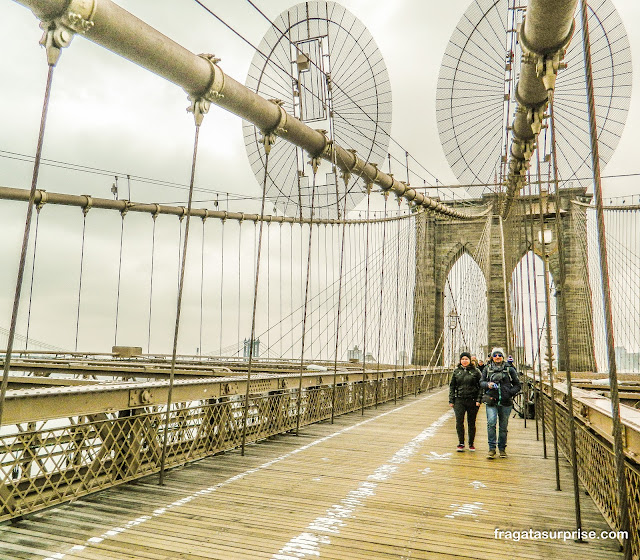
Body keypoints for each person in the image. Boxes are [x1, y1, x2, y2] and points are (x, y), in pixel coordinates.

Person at [480, 347, 521, 459]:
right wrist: (487, 385)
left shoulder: (510, 369)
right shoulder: (487, 369)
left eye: (499, 355)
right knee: (491, 423)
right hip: (491, 400)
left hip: (505, 402)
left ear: (503, 357)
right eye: (495, 355)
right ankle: (492, 449)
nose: (497, 357)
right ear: (492, 357)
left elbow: (518, 385)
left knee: (503, 427)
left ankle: (502, 449)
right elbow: (481, 382)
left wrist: (509, 393)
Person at [449, 351, 482, 452]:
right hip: (459, 400)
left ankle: (471, 444)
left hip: (472, 400)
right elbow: (452, 387)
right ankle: (461, 443)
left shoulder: (476, 372)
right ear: (460, 360)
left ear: (470, 360)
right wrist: (451, 400)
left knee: (471, 422)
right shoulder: (456, 372)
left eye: (466, 359)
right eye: (462, 359)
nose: (464, 361)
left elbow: (481, 387)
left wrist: (479, 399)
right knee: (459, 421)